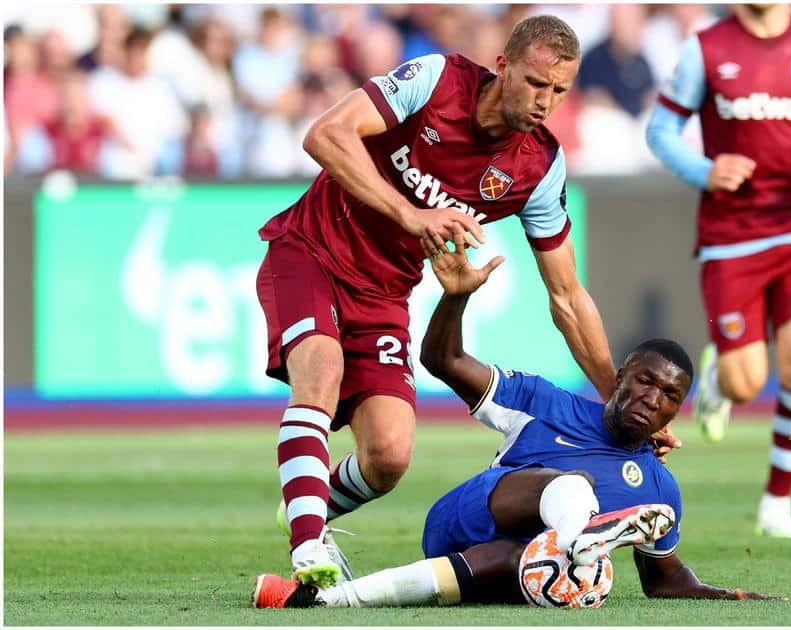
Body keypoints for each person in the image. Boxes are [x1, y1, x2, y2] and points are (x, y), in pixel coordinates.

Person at [256, 15, 660, 589]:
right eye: (536, 83)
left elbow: (568, 296)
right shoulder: (437, 80)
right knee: (320, 371)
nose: (546, 102)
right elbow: (324, 134)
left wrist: (613, 397)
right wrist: (409, 213)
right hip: (311, 250)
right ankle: (307, 550)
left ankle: (307, 502)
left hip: (386, 290)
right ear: (504, 66)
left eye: (560, 91)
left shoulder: (539, 167)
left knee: (389, 456)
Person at [252, 233, 784, 608]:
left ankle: (335, 601)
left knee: (526, 559)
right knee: (569, 488)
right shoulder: (544, 400)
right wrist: (455, 298)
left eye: (669, 396)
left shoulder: (659, 488)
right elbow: (444, 361)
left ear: (675, 411)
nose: (652, 398)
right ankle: (579, 536)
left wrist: (728, 595)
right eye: (644, 380)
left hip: (503, 568)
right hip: (463, 522)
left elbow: (664, 581)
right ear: (620, 374)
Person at [645, 3, 791, 538]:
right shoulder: (707, 48)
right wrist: (705, 170)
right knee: (748, 383)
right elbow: (660, 132)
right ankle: (723, 377)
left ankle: (777, 504)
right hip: (732, 236)